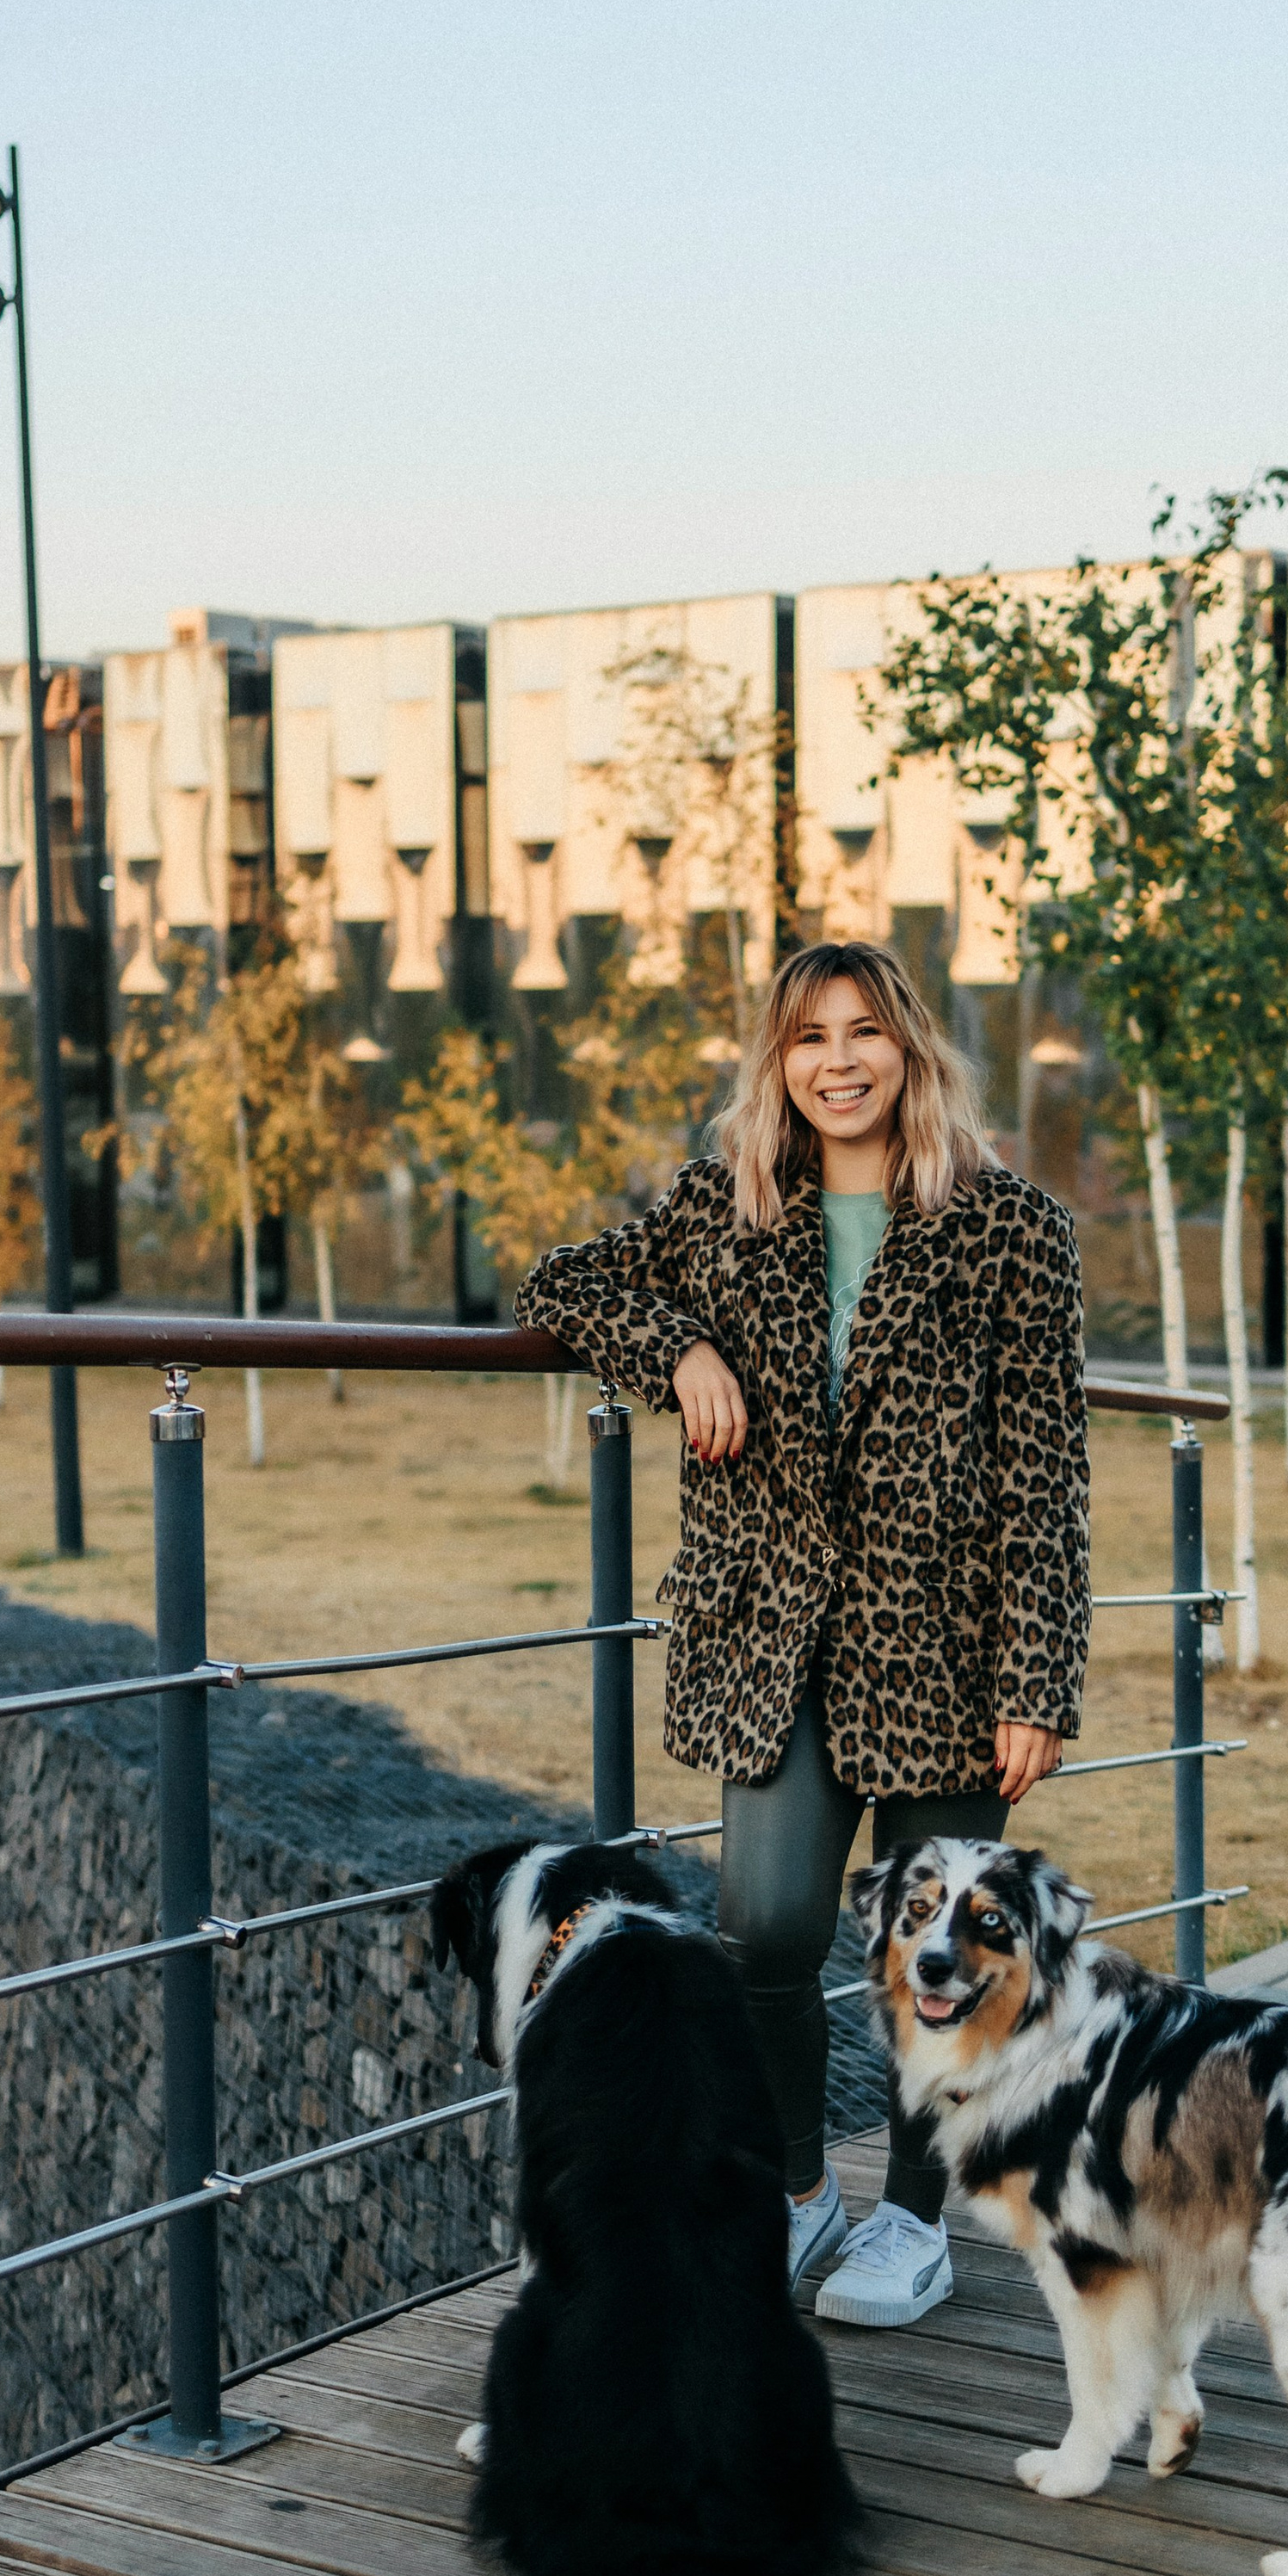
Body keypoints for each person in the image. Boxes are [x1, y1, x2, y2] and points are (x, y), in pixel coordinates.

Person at [514, 939, 1090, 2326]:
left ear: (911, 1052)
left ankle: (912, 2216)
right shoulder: (727, 1203)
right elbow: (560, 1283)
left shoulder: (1010, 1227)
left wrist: (1040, 1676)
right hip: (769, 1635)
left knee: (933, 1951)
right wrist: (679, 1351)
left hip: (945, 1639)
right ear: (776, 1063)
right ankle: (791, 2194)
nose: (838, 1060)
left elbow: (1046, 1469)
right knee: (762, 1927)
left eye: (865, 1033)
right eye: (807, 1037)